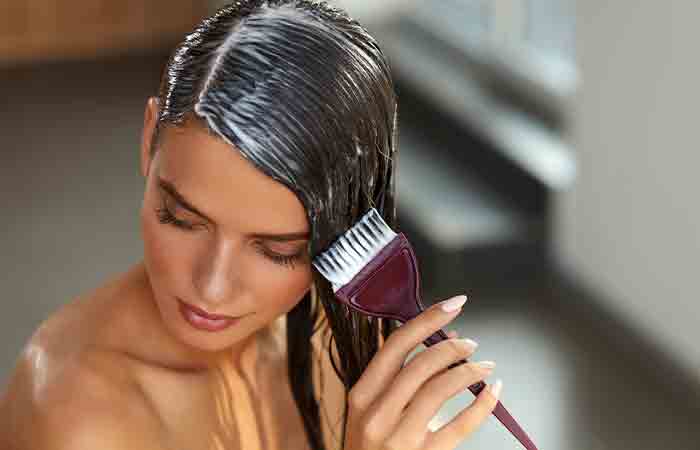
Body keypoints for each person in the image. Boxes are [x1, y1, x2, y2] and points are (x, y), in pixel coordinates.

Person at [0, 1, 501, 449]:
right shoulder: (76, 418)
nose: (211, 289)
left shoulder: (330, 327)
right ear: (149, 138)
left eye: (278, 251)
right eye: (181, 218)